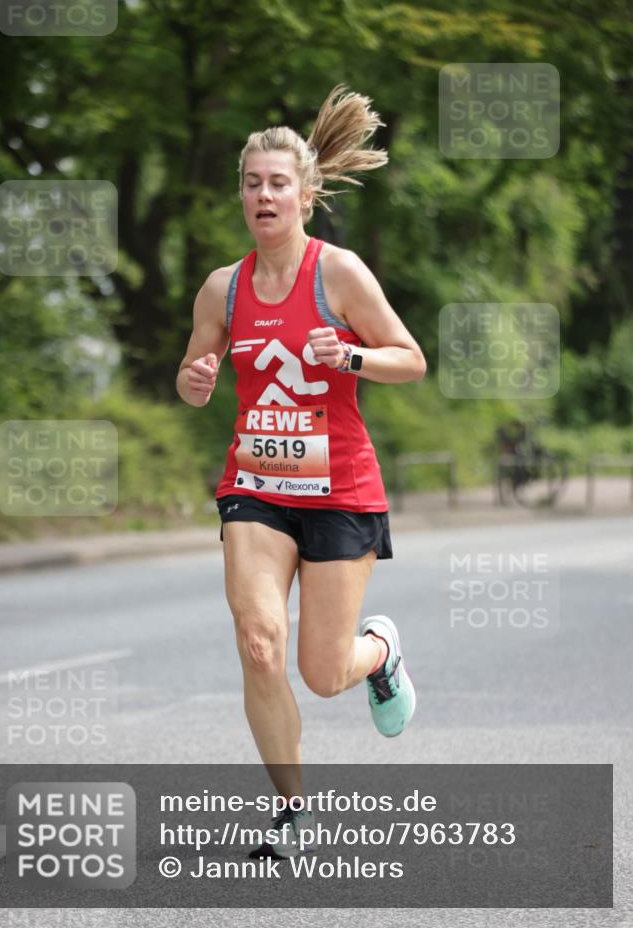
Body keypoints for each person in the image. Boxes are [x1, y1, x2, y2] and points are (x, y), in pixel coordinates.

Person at [176, 85, 427, 858]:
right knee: (257, 642)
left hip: (339, 490)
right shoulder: (223, 286)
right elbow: (193, 369)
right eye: (251, 182)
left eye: (277, 182)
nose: (262, 194)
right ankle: (291, 810)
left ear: (306, 196)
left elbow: (409, 360)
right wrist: (193, 379)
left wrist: (349, 353)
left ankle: (379, 652)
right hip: (254, 487)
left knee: (322, 674)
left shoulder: (340, 273)